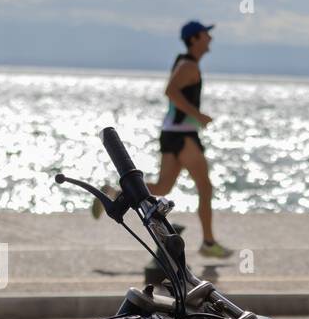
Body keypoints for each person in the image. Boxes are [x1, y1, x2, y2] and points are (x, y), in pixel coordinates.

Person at [94, 20, 231, 259]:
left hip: (172, 133)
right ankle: (208, 242)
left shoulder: (186, 63)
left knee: (162, 187)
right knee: (205, 187)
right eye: (206, 35)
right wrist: (197, 115)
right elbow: (170, 91)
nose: (210, 39)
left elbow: (172, 92)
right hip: (183, 135)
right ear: (195, 38)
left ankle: (114, 193)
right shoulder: (188, 65)